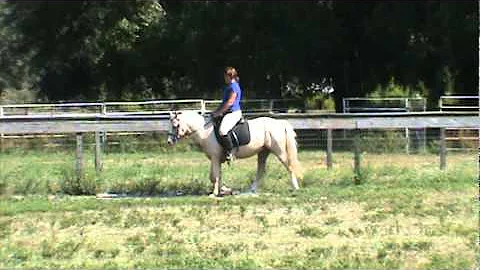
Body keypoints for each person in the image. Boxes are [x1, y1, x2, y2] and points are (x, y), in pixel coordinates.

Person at [212, 66, 243, 161]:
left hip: (234, 113)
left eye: (225, 77)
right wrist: (216, 112)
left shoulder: (234, 87)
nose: (224, 78)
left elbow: (230, 103)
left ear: (230, 76)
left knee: (223, 130)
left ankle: (230, 151)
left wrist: (219, 113)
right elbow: (223, 103)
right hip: (228, 112)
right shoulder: (228, 87)